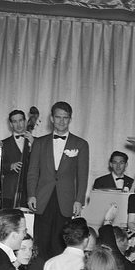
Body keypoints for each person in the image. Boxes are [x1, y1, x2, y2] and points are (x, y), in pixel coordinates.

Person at [27, 101, 89, 259]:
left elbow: (82, 175)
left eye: (65, 118)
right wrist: (31, 195)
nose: (61, 121)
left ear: (70, 120)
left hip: (66, 200)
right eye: (58, 117)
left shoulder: (81, 144)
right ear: (51, 119)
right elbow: (32, 172)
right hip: (42, 198)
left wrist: (79, 200)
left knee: (62, 243)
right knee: (40, 243)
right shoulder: (39, 143)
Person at [0, 110, 35, 209]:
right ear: (11, 124)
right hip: (9, 192)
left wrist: (34, 144)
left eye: (20, 120)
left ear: (25, 121)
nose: (18, 124)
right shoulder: (2, 144)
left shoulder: (36, 142)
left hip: (30, 192)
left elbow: (43, 164)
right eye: (15, 122)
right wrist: (10, 166)